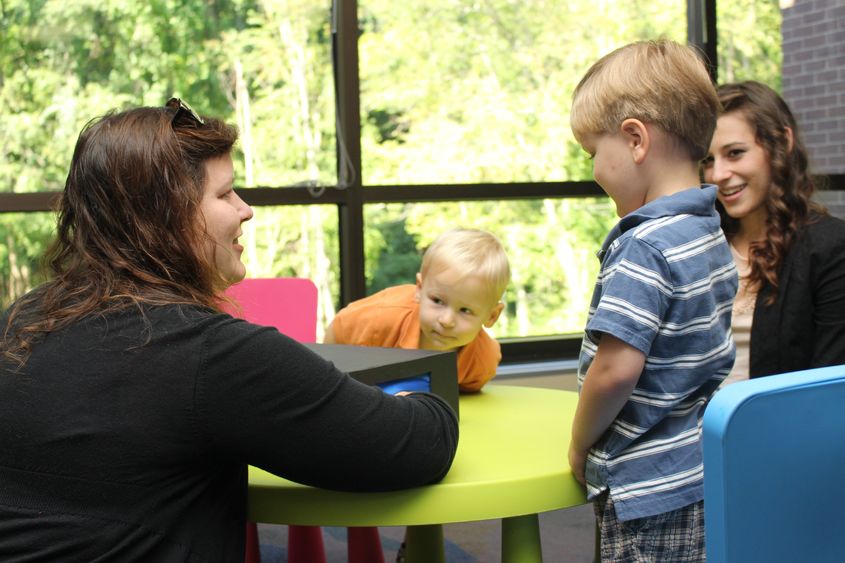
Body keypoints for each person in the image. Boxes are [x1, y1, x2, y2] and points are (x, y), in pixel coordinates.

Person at [0, 99, 459, 561]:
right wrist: (411, 400)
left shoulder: (19, 321)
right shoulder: (212, 354)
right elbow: (421, 445)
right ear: (164, 217)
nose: (246, 210)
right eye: (224, 195)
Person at [567, 40, 737, 562]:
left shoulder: (644, 245)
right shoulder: (707, 230)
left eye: (595, 154)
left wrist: (579, 442)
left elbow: (615, 371)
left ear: (635, 139)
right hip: (698, 466)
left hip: (644, 482)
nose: (595, 171)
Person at [702, 80, 845, 385]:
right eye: (708, 160)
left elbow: (828, 384)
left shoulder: (831, 247)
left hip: (784, 430)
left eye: (735, 153)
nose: (718, 175)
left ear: (783, 142)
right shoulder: (700, 245)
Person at [325, 227, 510, 393]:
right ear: (420, 290)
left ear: (492, 316)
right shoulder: (381, 319)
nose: (446, 320)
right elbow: (339, 329)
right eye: (438, 301)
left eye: (465, 310)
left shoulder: (481, 362)